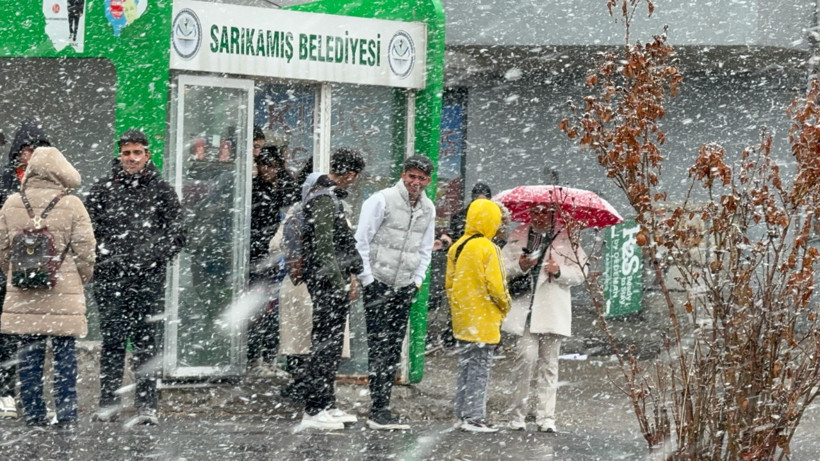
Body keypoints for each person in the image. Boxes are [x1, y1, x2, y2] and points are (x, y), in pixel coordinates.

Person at [86, 130, 185, 426]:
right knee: (113, 342)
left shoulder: (163, 191)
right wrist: (106, 259)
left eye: (137, 152)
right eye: (126, 153)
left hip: (148, 280)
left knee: (146, 344)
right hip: (110, 280)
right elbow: (89, 232)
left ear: (147, 155)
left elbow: (178, 234)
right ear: (120, 155)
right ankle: (109, 402)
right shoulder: (102, 189)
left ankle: (147, 406)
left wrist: (150, 258)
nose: (131, 158)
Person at [0, 146, 96, 427]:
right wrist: (79, 276)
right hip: (63, 292)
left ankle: (34, 413)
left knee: (29, 354)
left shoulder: (12, 203)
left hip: (25, 292)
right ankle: (66, 414)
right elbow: (86, 251)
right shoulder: (72, 204)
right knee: (65, 355)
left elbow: (3, 250)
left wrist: (19, 274)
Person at [355, 155, 436, 430]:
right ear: (403, 175)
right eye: (411, 176)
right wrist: (368, 280)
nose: (415, 182)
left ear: (428, 181)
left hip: (403, 286)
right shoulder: (382, 199)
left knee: (393, 347)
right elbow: (362, 241)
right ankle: (378, 408)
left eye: (421, 178)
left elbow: (425, 249)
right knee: (378, 345)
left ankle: (383, 406)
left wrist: (416, 281)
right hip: (378, 281)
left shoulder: (429, 208)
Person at [501, 204, 587, 433]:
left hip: (551, 310)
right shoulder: (518, 234)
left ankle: (546, 417)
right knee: (525, 361)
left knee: (549, 365)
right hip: (525, 310)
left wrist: (559, 271)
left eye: (544, 212)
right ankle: (516, 415)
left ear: (553, 215)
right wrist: (520, 266)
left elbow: (581, 272)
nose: (538, 217)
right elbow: (500, 267)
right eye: (534, 212)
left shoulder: (567, 237)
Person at [299, 147, 365, 430]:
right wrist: (340, 282)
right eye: (356, 176)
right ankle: (314, 408)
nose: (355, 181)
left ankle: (326, 403)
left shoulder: (326, 195)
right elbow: (325, 248)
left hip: (329, 280)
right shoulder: (324, 199)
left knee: (332, 343)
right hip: (326, 282)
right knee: (325, 345)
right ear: (350, 174)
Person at [445, 198, 511, 432]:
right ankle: (474, 417)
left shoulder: (457, 246)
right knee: (480, 367)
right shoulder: (489, 248)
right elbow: (497, 286)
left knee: (465, 365)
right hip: (483, 318)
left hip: (463, 318)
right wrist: (505, 305)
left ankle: (461, 413)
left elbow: (449, 284)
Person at [0, 119, 51, 419]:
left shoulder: (53, 184)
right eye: (26, 150)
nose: (30, 156)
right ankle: (6, 391)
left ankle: (32, 398)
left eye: (36, 150)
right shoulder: (6, 181)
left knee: (34, 338)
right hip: (6, 270)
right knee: (5, 337)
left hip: (39, 272)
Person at [247, 144, 298, 374]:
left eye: (271, 166)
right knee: (258, 310)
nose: (267, 170)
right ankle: (254, 359)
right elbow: (253, 226)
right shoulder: (254, 189)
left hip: (282, 258)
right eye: (263, 165)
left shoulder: (286, 187)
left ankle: (271, 357)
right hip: (260, 258)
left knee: (277, 310)